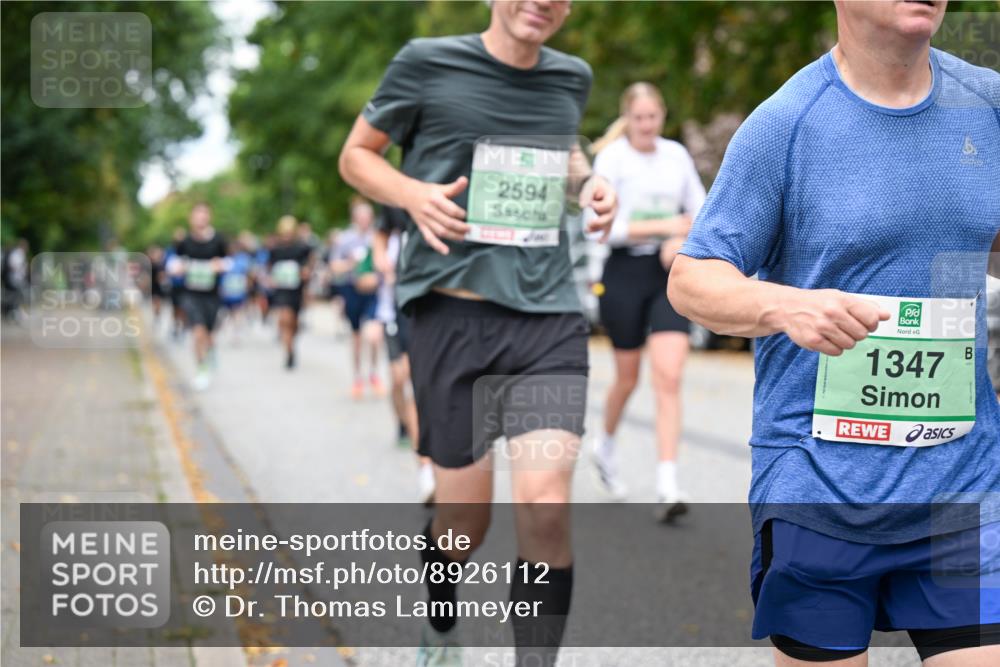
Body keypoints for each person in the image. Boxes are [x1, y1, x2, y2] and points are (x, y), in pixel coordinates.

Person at [668, 1, 1000, 664]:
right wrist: (783, 305)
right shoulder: (786, 124)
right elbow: (691, 278)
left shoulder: (986, 103)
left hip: (961, 482)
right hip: (820, 487)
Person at [339, 1, 616, 664]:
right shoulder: (426, 63)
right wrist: (411, 194)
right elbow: (356, 156)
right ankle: (440, 620)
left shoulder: (570, 76)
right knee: (465, 522)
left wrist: (589, 184)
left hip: (547, 317)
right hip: (452, 316)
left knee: (546, 503)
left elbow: (564, 150)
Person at [588, 82, 706, 521]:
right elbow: (603, 228)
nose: (645, 125)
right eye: (638, 118)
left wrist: (680, 238)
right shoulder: (612, 159)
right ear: (628, 118)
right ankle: (605, 443)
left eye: (652, 117)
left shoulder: (676, 156)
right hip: (623, 272)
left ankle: (667, 483)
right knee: (627, 377)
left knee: (669, 376)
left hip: (667, 274)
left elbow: (701, 213)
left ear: (662, 117)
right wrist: (664, 225)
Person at [373, 205, 435, 505]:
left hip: (435, 306)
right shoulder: (399, 200)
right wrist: (381, 259)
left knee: (422, 385)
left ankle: (427, 464)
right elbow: (381, 235)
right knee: (402, 380)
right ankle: (424, 465)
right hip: (398, 308)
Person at [167, 203, 229, 391]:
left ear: (209, 217)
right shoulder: (185, 242)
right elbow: (173, 263)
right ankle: (201, 369)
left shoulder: (218, 240)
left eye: (204, 215)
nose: (201, 218)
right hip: (191, 294)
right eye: (197, 215)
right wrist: (177, 268)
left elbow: (230, 261)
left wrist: (221, 265)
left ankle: (210, 351)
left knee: (208, 335)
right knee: (197, 332)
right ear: (191, 219)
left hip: (212, 295)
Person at [329, 197, 384, 399]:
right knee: (357, 337)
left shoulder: (377, 237)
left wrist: (376, 276)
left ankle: (374, 374)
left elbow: (385, 264)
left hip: (373, 292)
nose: (365, 220)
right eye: (361, 217)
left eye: (368, 217)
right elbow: (334, 266)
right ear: (354, 218)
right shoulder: (345, 239)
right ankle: (358, 378)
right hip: (352, 290)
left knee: (374, 335)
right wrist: (351, 264)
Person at [268, 215, 314, 369]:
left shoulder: (301, 248)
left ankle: (291, 344)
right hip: (281, 291)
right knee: (284, 319)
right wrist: (271, 279)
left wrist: (306, 272)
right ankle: (288, 350)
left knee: (294, 322)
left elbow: (309, 265)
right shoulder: (275, 250)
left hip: (296, 291)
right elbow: (270, 269)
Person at [219, 237, 252, 344]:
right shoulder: (224, 260)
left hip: (239, 291)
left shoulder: (243, 259)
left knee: (238, 311)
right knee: (227, 312)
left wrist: (247, 286)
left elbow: (248, 274)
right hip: (227, 291)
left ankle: (236, 333)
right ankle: (229, 330)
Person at [164, 228, 188, 340]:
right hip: (174, 285)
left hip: (186, 285)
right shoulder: (170, 251)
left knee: (185, 308)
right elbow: (166, 265)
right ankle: (176, 326)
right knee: (175, 308)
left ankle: (183, 327)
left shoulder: (189, 249)